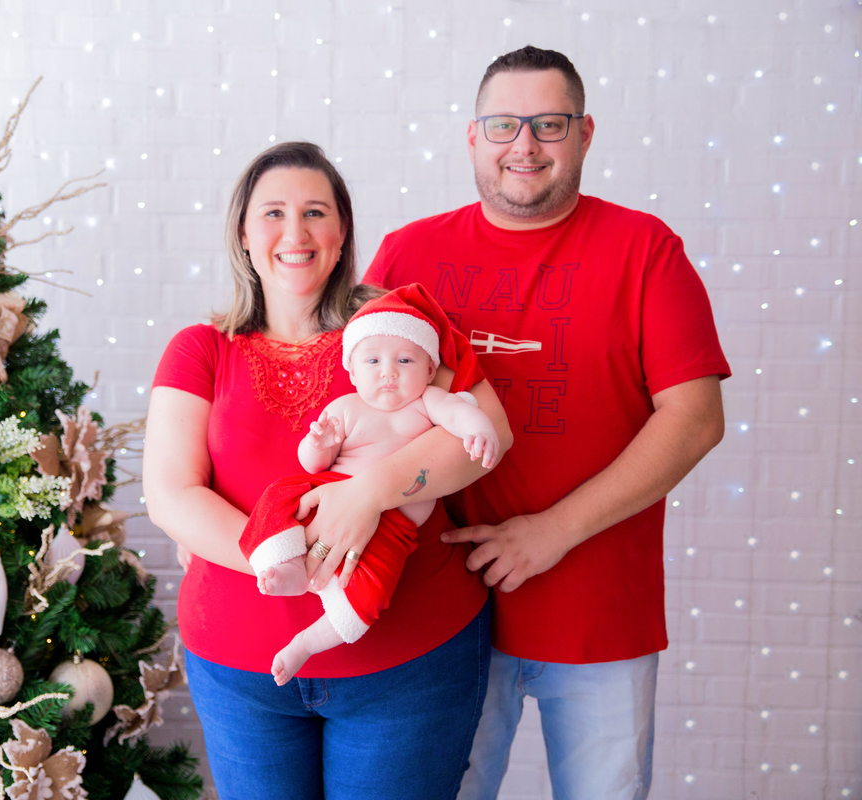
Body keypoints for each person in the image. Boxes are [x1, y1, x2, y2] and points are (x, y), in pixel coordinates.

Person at [364, 46, 731, 800]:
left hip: (600, 614)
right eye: (503, 124)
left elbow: (695, 420)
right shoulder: (409, 252)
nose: (524, 145)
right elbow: (354, 396)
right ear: (472, 137)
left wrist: (552, 531)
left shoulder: (646, 251)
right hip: (444, 615)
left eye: (549, 124)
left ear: (586, 134)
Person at [143, 141, 513, 800]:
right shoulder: (200, 350)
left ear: (341, 236)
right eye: (274, 213)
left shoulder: (401, 332)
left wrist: (370, 493)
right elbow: (171, 495)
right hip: (241, 672)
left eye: (316, 212)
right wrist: (296, 561)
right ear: (243, 234)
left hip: (410, 668)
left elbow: (484, 436)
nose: (296, 231)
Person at [240, 285, 500, 686]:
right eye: (373, 360)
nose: (388, 371)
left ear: (430, 370)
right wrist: (318, 444)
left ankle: (307, 642)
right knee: (277, 496)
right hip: (328, 490)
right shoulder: (346, 408)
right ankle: (287, 565)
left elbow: (464, 413)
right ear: (352, 371)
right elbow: (313, 463)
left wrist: (480, 430)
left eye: (405, 359)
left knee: (371, 593)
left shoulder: (428, 402)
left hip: (393, 526)